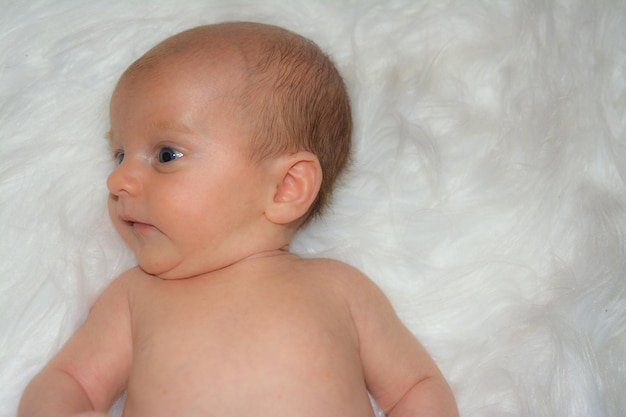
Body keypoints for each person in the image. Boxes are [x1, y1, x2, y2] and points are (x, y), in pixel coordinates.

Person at [18, 21, 459, 417]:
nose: (117, 180)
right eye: (119, 154)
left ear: (287, 187)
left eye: (165, 155)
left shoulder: (340, 288)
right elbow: (69, 382)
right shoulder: (136, 297)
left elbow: (416, 388)